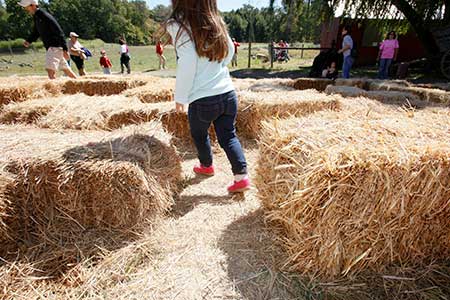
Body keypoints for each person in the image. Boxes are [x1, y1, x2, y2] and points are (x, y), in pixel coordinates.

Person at [164, 0, 250, 193]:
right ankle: (241, 177)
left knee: (199, 134)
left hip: (202, 99)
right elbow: (230, 50)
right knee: (228, 135)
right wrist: (218, 66)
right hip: (228, 94)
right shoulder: (215, 20)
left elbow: (187, 63)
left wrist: (181, 97)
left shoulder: (178, 24)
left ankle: (207, 166)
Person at [18, 0, 76, 79]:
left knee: (50, 71)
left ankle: (54, 90)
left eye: (26, 7)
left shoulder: (44, 15)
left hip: (54, 47)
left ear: (33, 5)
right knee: (66, 70)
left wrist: (65, 48)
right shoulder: (36, 16)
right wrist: (29, 40)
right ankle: (80, 85)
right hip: (53, 47)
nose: (25, 9)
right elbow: (36, 31)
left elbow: (58, 31)